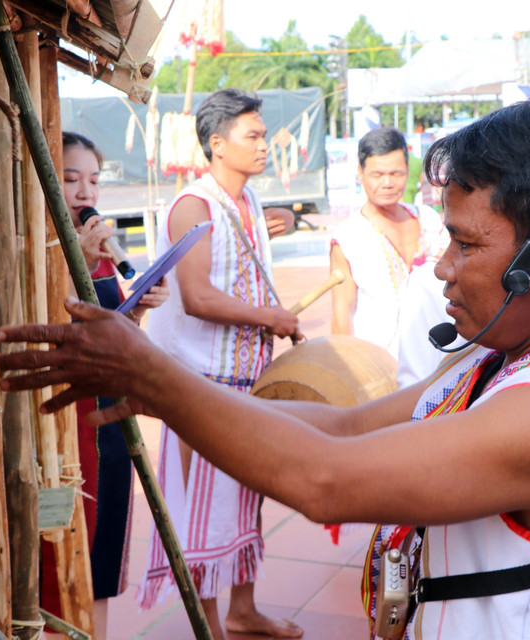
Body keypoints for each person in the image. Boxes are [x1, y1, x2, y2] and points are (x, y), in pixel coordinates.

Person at [0, 89, 530, 639]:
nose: (441, 266)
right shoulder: (497, 362)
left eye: (464, 244)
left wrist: (155, 380)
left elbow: (324, 479)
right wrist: (173, 391)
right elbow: (343, 428)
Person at [137, 89, 302, 640]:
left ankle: (243, 611)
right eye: (251, 137)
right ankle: (208, 625)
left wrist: (285, 219)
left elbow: (256, 241)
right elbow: (198, 298)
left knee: (248, 499)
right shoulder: (194, 205)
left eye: (261, 135)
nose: (262, 146)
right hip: (200, 384)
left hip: (247, 383)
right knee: (202, 514)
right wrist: (270, 317)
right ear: (216, 143)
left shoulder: (247, 201)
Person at [40, 131, 169, 630]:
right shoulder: (40, 247)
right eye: (71, 179)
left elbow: (111, 329)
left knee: (106, 543)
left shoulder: (103, 250)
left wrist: (136, 309)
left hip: (110, 417)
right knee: (65, 542)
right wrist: (80, 261)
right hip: (66, 421)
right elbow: (54, 320)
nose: (84, 192)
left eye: (93, 180)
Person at [330, 127, 445, 357]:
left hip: (437, 355)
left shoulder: (429, 220)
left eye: (396, 173)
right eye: (377, 174)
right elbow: (342, 313)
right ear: (360, 174)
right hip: (381, 363)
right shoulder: (348, 236)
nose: (387, 183)